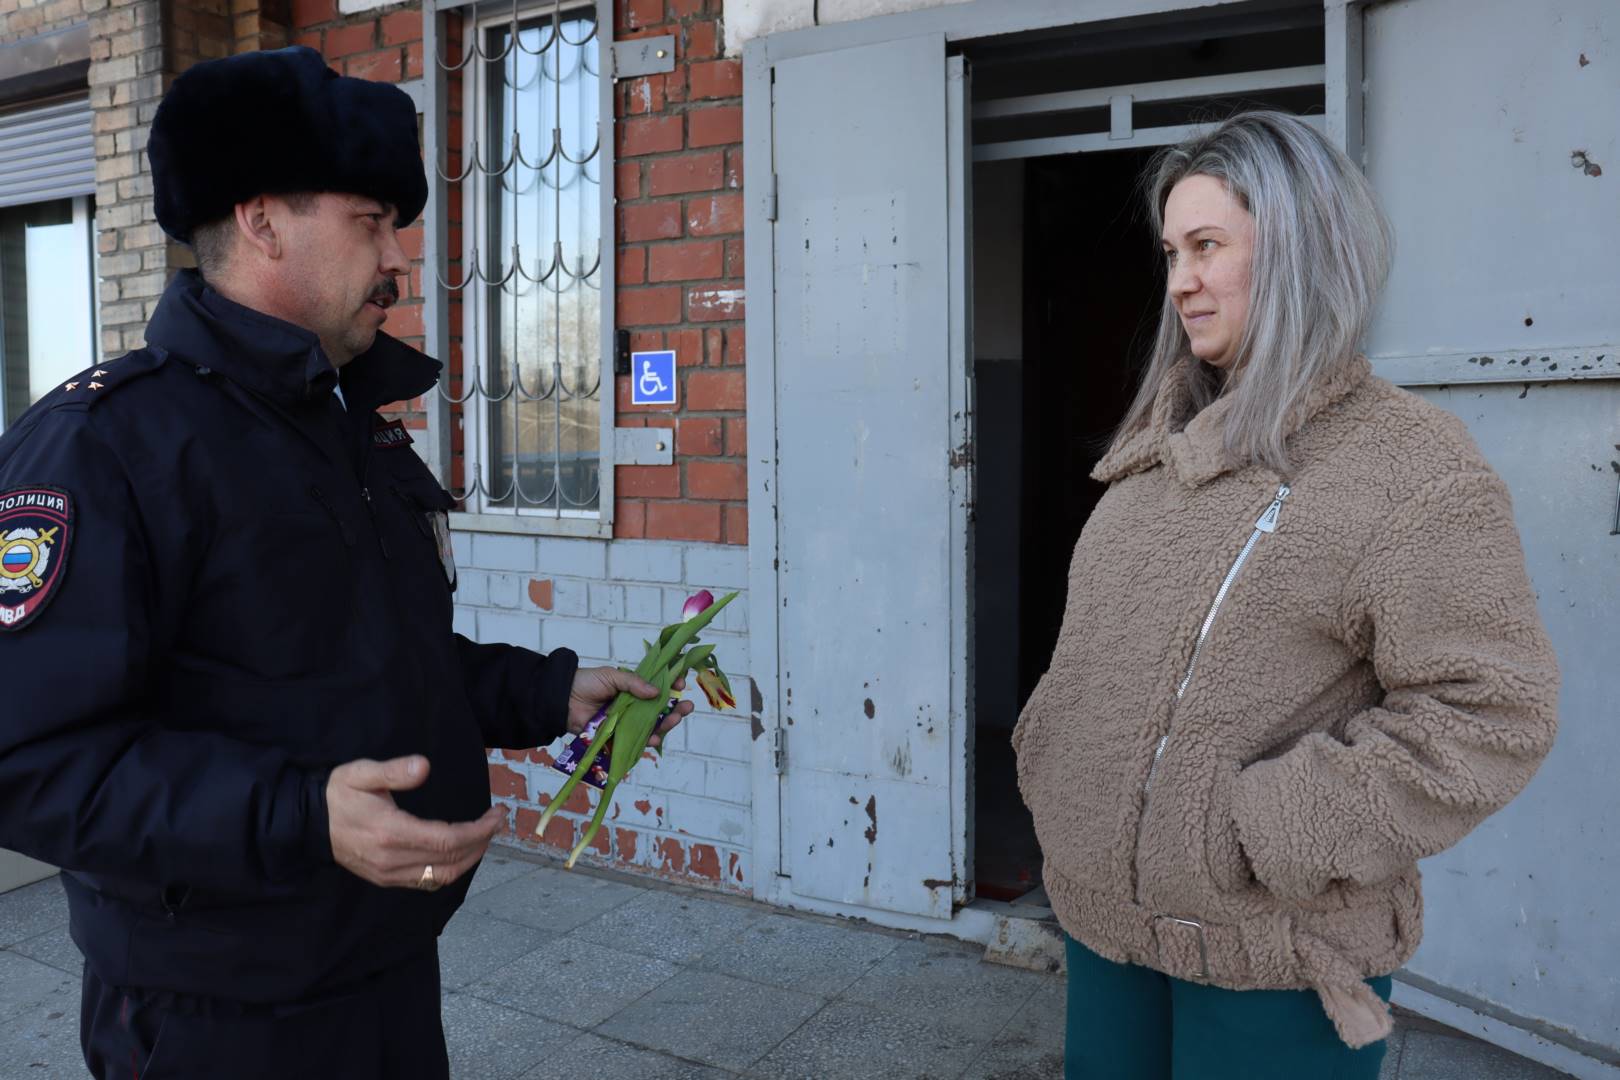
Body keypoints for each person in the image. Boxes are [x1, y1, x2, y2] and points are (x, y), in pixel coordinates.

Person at [0, 47, 687, 1079]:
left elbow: (373, 658)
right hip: (216, 1019)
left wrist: (550, 690)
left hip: (385, 971)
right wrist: (296, 817)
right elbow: (30, 758)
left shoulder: (344, 427)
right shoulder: (106, 446)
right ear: (265, 219)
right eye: (371, 220)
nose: (398, 255)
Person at [1012, 111, 1559, 1079]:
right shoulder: (1150, 455)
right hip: (1106, 928)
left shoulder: (1412, 469)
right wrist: (1053, 756)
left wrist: (1269, 826)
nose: (1180, 280)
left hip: (1276, 960)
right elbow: (1091, 665)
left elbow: (1493, 710)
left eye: (1209, 246)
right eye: (1172, 251)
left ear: (1302, 251)